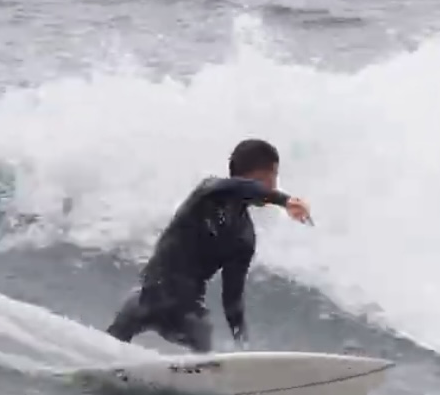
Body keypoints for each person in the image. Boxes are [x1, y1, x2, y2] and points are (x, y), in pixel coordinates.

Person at [105, 138, 313, 353]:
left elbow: (232, 299)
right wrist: (283, 200)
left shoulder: (244, 237)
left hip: (174, 305)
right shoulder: (210, 192)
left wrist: (242, 344)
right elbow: (238, 186)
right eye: (273, 175)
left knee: (199, 334)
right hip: (151, 297)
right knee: (192, 334)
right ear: (259, 176)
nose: (275, 184)